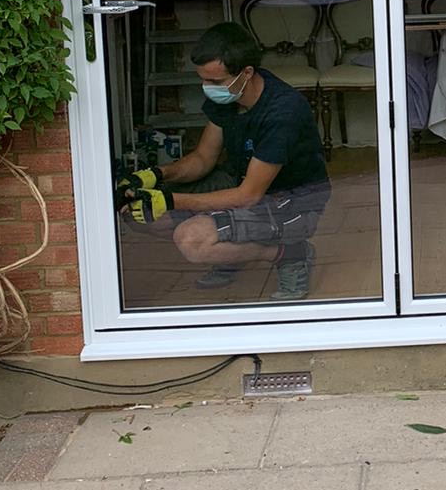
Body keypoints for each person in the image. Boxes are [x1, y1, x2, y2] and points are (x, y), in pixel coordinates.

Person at [115, 22, 330, 301]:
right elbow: (203, 159)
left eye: (214, 81)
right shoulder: (230, 95)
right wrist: (156, 175)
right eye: (203, 79)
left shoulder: (282, 112)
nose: (207, 88)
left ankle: (289, 254)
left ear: (247, 73)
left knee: (192, 239)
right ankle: (231, 250)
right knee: (139, 214)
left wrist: (169, 199)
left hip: (294, 202)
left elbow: (247, 196)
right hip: (242, 184)